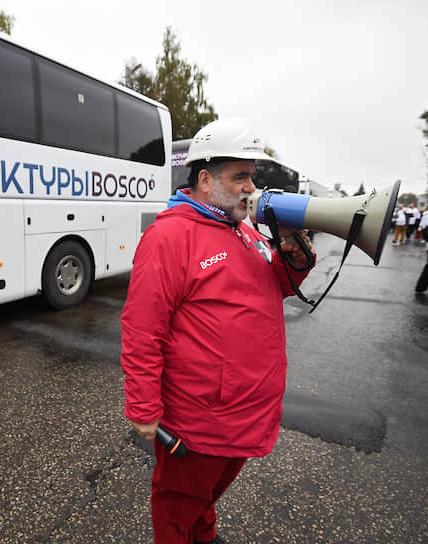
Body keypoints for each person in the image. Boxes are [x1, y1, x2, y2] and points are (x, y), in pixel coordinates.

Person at [120, 118, 315, 544]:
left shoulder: (243, 229)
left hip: (247, 410)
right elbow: (141, 329)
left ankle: (203, 535)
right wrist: (143, 406)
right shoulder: (169, 236)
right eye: (240, 176)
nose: (251, 187)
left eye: (252, 176)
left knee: (204, 497)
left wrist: (293, 252)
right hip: (201, 418)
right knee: (176, 504)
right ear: (205, 179)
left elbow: (277, 287)